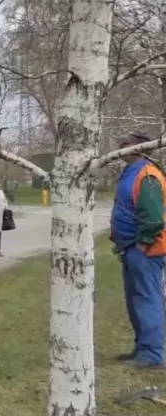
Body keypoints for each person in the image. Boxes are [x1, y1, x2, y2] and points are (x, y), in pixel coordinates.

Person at [110, 132, 166, 369]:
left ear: (141, 148)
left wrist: (144, 242)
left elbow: (152, 217)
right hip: (130, 246)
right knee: (135, 301)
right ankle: (142, 348)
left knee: (146, 298)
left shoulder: (148, 174)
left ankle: (153, 354)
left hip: (146, 249)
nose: (121, 147)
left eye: (127, 144)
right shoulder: (129, 172)